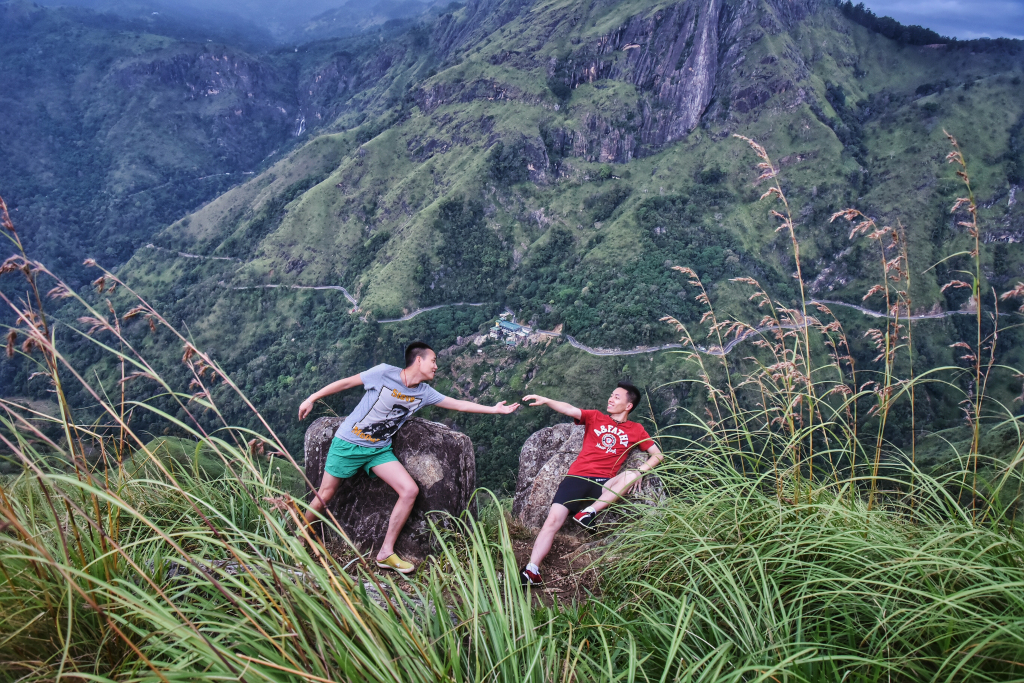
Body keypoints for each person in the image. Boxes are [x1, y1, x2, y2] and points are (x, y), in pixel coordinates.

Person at [298, 341, 519, 573]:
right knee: (324, 495)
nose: (436, 367)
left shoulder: (424, 393)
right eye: (433, 361)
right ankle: (300, 536)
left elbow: (459, 405)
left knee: (409, 490)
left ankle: (385, 553)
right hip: (349, 444)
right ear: (419, 360)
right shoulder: (384, 373)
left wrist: (494, 409)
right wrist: (312, 397)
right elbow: (347, 383)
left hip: (378, 450)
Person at [518, 383, 662, 586]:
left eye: (617, 397)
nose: (610, 399)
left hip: (604, 483)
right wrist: (547, 401)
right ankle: (532, 569)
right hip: (577, 478)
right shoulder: (595, 417)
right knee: (552, 522)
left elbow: (658, 455)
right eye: (611, 395)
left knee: (630, 474)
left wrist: (640, 472)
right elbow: (569, 409)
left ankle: (589, 513)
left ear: (628, 406)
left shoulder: (636, 430)